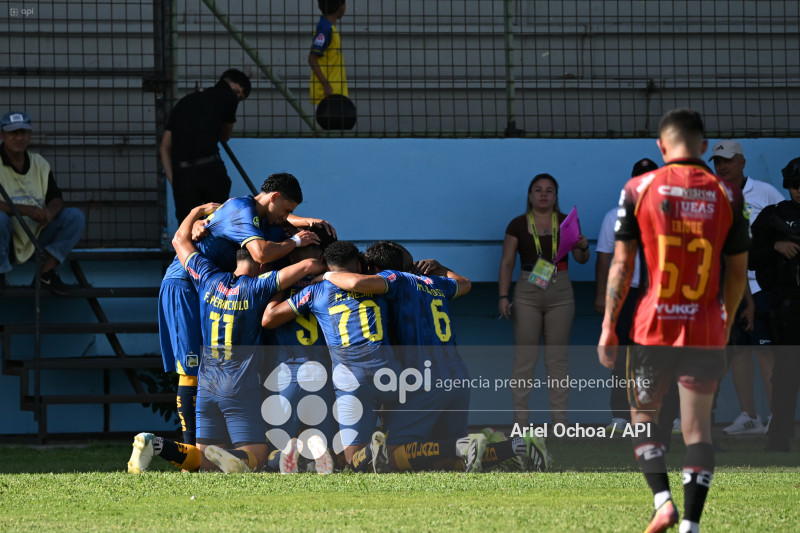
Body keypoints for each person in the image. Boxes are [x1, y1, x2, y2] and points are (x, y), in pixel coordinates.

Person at [598, 108, 750, 533]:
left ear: (662, 147)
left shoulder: (640, 187)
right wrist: (725, 320)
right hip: (704, 325)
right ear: (704, 148)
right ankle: (693, 525)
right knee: (697, 429)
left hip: (653, 324)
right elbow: (736, 273)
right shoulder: (728, 194)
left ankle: (663, 502)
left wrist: (610, 325)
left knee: (643, 418)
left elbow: (622, 265)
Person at [128, 203, 325, 474]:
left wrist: (196, 212)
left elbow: (179, 240)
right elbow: (309, 264)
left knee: (202, 459)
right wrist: (306, 251)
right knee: (258, 453)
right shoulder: (258, 287)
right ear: (259, 263)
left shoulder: (207, 277)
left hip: (207, 386)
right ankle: (234, 458)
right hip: (239, 386)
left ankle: (155, 444)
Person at [324, 241, 549, 474]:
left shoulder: (395, 280)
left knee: (391, 456)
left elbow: (356, 283)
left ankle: (466, 444)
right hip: (458, 376)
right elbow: (464, 283)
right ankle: (518, 446)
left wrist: (326, 274)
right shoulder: (435, 283)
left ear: (376, 269)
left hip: (426, 379)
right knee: (449, 461)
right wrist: (441, 267)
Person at [158, 173, 329, 447]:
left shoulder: (259, 216)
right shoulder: (242, 210)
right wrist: (297, 242)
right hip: (187, 284)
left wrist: (305, 221)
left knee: (218, 363)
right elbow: (260, 253)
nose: (287, 218)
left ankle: (213, 443)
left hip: (215, 285)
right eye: (287, 210)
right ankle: (190, 447)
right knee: (193, 367)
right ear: (274, 197)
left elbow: (276, 220)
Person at [262, 240, 402, 469]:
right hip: (385, 373)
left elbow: (269, 319)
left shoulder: (314, 290)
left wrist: (279, 287)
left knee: (274, 452)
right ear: (358, 264)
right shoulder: (378, 285)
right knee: (386, 446)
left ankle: (298, 454)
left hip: (308, 374)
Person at [498, 174, 590, 427]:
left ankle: (560, 421)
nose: (543, 194)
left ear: (556, 196)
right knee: (525, 358)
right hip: (528, 289)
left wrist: (583, 246)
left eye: (549, 191)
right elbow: (507, 263)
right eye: (538, 190)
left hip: (561, 288)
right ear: (529, 195)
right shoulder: (517, 224)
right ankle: (521, 421)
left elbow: (582, 259)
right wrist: (503, 296)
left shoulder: (566, 221)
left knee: (557, 358)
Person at [709, 140, 785, 436]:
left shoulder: (764, 192)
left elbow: (787, 224)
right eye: (717, 162)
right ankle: (749, 415)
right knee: (739, 351)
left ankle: (775, 417)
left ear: (742, 161)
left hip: (762, 285)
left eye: (728, 160)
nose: (722, 166)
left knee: (765, 352)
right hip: (727, 287)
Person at [262, 225, 339, 474]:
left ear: (293, 258)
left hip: (287, 370)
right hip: (323, 368)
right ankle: (316, 450)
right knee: (325, 440)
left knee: (276, 445)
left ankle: (288, 452)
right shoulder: (330, 284)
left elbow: (269, 318)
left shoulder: (281, 284)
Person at [595, 158, 658, 432]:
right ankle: (621, 415)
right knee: (622, 358)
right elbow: (604, 259)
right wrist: (602, 296)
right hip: (626, 295)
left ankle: (665, 415)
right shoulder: (615, 216)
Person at [0, 111, 85, 295]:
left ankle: (45, 274)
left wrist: (49, 213)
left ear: (30, 135)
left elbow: (56, 198)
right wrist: (26, 210)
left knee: (75, 217)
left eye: (23, 132)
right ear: (2, 135)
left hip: (37, 236)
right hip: (6, 240)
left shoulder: (40, 163)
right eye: (13, 133)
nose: (19, 137)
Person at [749, 157, 800, 452]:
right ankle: (779, 437)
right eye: (794, 185)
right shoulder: (773, 216)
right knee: (785, 373)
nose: (798, 190)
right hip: (787, 306)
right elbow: (749, 256)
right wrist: (775, 248)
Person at [160, 69, 251, 222]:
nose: (237, 99)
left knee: (188, 229)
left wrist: (174, 182)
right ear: (234, 85)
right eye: (239, 94)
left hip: (183, 174)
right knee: (219, 224)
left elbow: (164, 146)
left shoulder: (184, 102)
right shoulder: (228, 97)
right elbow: (224, 137)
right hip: (210, 170)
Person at [308, 1, 349, 108]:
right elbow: (312, 59)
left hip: (335, 94)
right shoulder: (325, 29)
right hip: (327, 96)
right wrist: (326, 86)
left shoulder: (329, 28)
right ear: (341, 7)